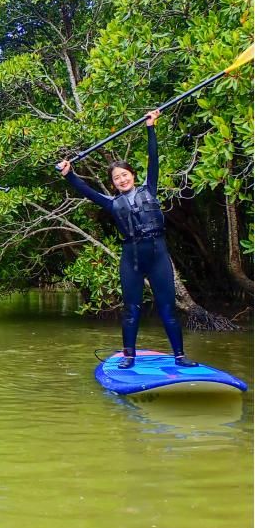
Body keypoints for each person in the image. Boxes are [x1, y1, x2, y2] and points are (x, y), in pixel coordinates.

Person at [57, 110, 197, 369]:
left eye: (124, 174)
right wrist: (69, 174)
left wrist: (150, 128)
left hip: (158, 256)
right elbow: (86, 191)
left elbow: (153, 160)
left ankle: (179, 356)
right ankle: (129, 356)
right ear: (113, 184)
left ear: (132, 175)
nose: (121, 179)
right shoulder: (111, 203)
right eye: (116, 178)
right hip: (131, 259)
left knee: (167, 308)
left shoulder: (149, 189)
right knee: (131, 309)